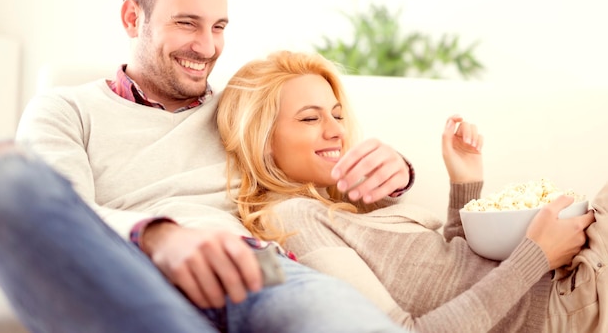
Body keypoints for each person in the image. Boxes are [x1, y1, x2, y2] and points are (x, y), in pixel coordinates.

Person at [0, 0, 415, 333]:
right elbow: (63, 226)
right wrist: (159, 236)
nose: (208, 48)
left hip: (259, 270)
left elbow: (321, 155)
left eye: (219, 27)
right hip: (133, 278)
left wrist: (397, 171)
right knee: (0, 182)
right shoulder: (66, 110)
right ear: (133, 18)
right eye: (188, 24)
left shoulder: (240, 107)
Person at [216, 50, 607, 333]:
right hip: (566, 305)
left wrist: (464, 183)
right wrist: (535, 256)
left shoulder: (337, 198)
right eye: (309, 118)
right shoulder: (291, 219)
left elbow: (451, 274)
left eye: (336, 114)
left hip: (569, 278)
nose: (336, 130)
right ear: (263, 139)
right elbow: (408, 330)